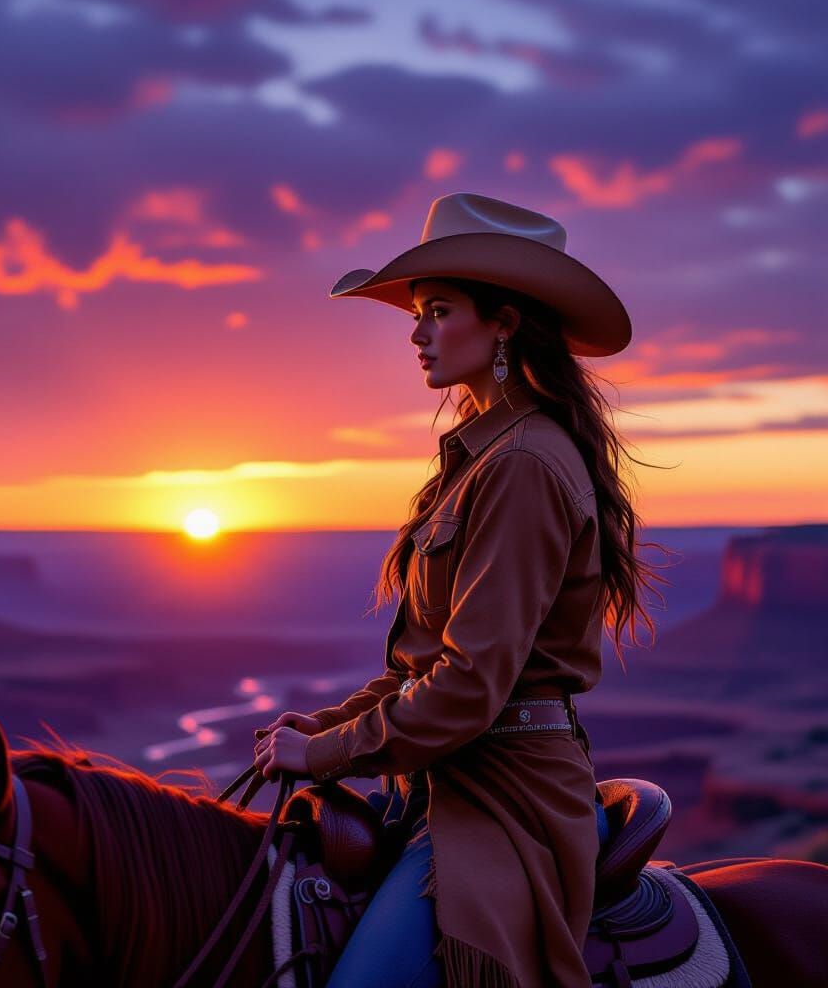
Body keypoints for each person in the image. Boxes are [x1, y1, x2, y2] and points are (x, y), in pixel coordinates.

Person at [253, 193, 670, 988]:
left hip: (502, 802)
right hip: (442, 784)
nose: (416, 334)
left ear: (504, 322)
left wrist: (326, 754)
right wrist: (329, 724)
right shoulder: (483, 457)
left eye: (438, 311)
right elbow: (428, 665)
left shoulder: (519, 466)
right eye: (417, 313)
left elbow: (471, 685)